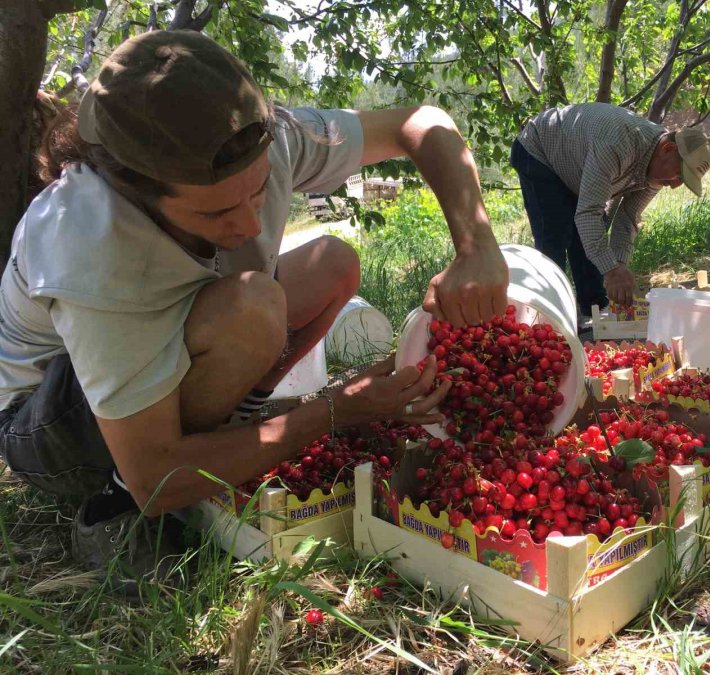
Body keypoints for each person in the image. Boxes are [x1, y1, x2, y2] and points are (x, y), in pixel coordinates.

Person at [0, 30, 508, 581]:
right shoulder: (90, 243)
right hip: (47, 423)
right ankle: (112, 505)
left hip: (160, 341)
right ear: (135, 192)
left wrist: (477, 246)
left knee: (333, 263)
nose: (248, 226)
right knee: (252, 307)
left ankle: (231, 426)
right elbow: (155, 477)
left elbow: (422, 123)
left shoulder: (269, 137)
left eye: (259, 189)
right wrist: (336, 409)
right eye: (214, 214)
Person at [510, 103, 710, 325]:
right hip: (539, 149)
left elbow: (628, 216)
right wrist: (611, 271)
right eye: (679, 175)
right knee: (555, 235)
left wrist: (619, 265)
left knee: (589, 233)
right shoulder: (617, 145)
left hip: (574, 164)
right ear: (667, 149)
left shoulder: (658, 168)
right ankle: (550, 316)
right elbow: (588, 212)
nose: (675, 185)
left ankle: (594, 311)